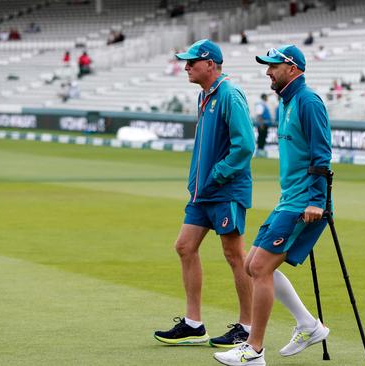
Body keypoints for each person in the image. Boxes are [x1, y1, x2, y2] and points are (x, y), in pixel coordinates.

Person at [214, 44, 331, 366]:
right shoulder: (287, 102)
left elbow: (322, 154)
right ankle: (309, 326)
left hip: (304, 202)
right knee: (253, 264)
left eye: (273, 66)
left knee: (260, 267)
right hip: (289, 199)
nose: (268, 71)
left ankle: (254, 350)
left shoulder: (308, 101)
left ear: (292, 69)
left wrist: (317, 200)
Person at [153, 39, 256, 349]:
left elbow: (245, 146)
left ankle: (248, 327)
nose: (186, 66)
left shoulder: (229, 94)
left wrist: (217, 174)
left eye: (192, 62)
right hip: (203, 192)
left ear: (210, 64)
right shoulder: (205, 95)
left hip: (225, 190)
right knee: (185, 246)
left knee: (235, 255)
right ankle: (194, 324)